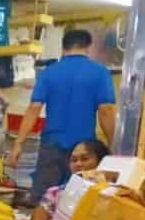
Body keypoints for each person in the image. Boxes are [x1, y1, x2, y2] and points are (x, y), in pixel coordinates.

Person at [8, 29, 116, 203]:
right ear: (88, 47)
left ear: (63, 48)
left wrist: (18, 144)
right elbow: (106, 110)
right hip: (84, 151)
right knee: (79, 200)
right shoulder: (100, 72)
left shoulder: (49, 72)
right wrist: (113, 144)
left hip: (52, 145)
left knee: (44, 200)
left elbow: (34, 108)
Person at [26, 139, 108, 220]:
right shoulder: (56, 194)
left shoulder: (110, 196)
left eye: (84, 159)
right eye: (73, 160)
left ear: (101, 163)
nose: (78, 164)